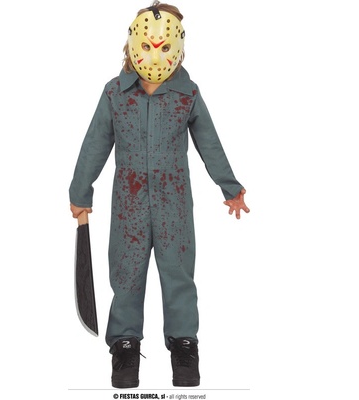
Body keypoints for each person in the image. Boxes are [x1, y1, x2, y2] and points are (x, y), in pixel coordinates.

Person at [69, 1, 250, 389]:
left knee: (179, 274)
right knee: (126, 274)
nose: (155, 55)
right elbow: (95, 143)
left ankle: (184, 345)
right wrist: (80, 191)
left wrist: (230, 186)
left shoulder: (187, 94)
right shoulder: (115, 93)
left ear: (178, 46)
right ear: (134, 44)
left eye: (164, 46)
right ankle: (125, 345)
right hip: (129, 205)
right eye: (148, 46)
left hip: (174, 205)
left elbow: (208, 142)